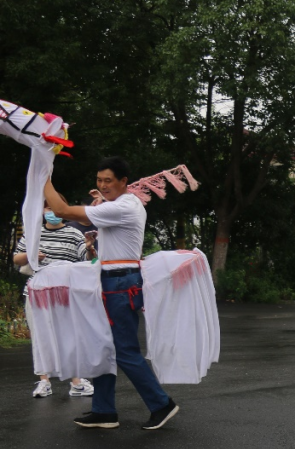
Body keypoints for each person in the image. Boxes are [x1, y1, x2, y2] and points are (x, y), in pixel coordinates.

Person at [42, 156, 178, 430]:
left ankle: (162, 404)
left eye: (108, 181)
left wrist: (41, 176)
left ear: (123, 181)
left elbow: (61, 210)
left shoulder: (124, 206)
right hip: (111, 281)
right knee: (102, 345)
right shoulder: (118, 204)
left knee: (124, 350)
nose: (103, 185)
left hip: (120, 284)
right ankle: (104, 411)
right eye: (99, 180)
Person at [13, 196, 94, 398]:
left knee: (70, 335)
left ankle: (76, 382)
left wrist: (90, 247)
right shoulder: (33, 233)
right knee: (40, 336)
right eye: (47, 208)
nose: (51, 212)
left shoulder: (74, 233)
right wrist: (31, 255)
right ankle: (44, 381)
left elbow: (88, 260)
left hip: (65, 291)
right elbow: (17, 258)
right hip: (37, 292)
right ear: (42, 211)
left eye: (54, 208)